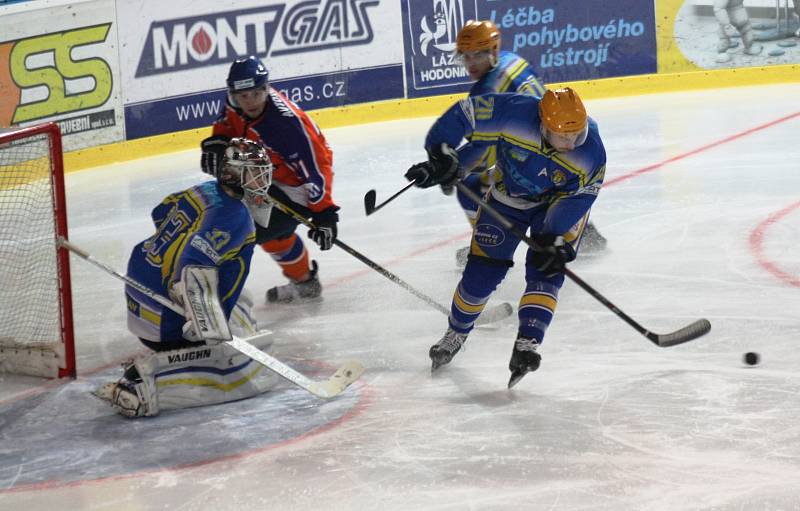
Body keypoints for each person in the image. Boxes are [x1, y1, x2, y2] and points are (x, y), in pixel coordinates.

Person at [405, 87, 606, 387]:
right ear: (542, 123)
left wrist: (551, 238)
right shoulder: (514, 113)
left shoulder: (591, 153)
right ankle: (456, 332)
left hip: (558, 206)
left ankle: (528, 341)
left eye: (576, 135)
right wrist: (441, 152)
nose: (570, 142)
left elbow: (579, 199)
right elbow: (466, 113)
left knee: (545, 270)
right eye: (562, 135)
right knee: (480, 275)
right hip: (507, 198)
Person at [94, 139, 279, 417]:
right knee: (243, 372)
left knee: (242, 299)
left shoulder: (205, 190)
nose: (262, 179)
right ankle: (143, 386)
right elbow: (192, 263)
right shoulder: (235, 215)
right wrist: (202, 320)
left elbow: (161, 211)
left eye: (262, 171)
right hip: (167, 324)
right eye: (254, 172)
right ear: (232, 173)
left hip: (141, 297)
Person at [452, 20, 605, 266]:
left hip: (536, 150)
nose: (470, 63)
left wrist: (452, 165)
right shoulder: (512, 59)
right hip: (555, 144)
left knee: (468, 186)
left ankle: (491, 244)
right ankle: (580, 229)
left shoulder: (485, 89)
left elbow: (486, 150)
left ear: (491, 50)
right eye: (465, 56)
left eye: (476, 56)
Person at [200, 55, 340, 303]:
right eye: (243, 96)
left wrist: (325, 214)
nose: (250, 101)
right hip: (264, 172)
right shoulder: (235, 104)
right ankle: (305, 283)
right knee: (273, 235)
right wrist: (217, 145)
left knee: (242, 234)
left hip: (297, 188)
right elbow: (227, 129)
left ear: (266, 88)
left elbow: (316, 169)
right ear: (233, 95)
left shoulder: (285, 124)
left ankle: (220, 297)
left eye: (256, 93)